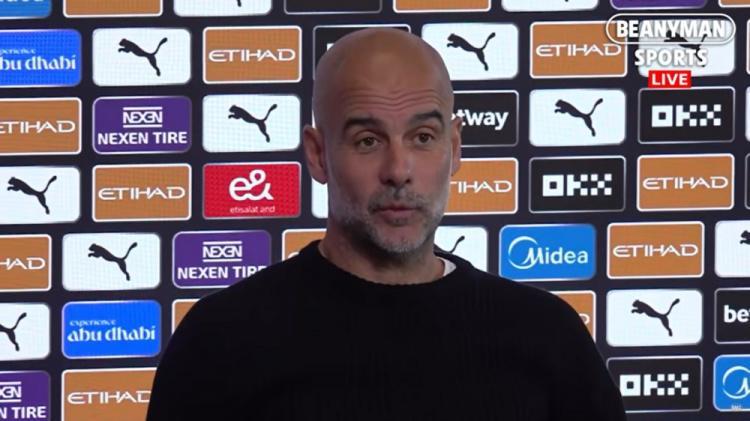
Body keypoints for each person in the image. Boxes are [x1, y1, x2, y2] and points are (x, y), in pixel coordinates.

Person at [146, 28, 626, 420]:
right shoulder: (222, 340)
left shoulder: (547, 335)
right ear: (318, 154)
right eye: (368, 141)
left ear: (455, 147)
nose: (399, 170)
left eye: (423, 137)